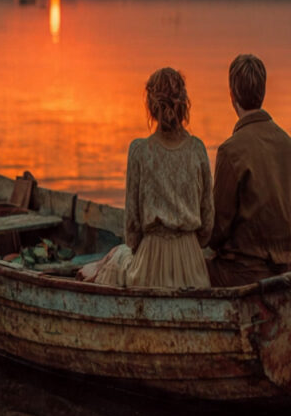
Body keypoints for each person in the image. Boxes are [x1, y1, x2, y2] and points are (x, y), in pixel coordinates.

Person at [81, 67, 213, 289]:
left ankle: (88, 275)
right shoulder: (197, 150)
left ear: (151, 107)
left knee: (115, 256)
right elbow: (207, 225)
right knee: (116, 257)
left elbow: (132, 231)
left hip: (149, 270)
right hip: (193, 271)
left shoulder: (140, 151)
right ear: (184, 105)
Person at [208, 54, 291, 287]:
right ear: (263, 92)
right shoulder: (288, 144)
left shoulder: (231, 151)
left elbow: (217, 231)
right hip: (284, 270)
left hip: (241, 274)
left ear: (232, 95)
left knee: (182, 272)